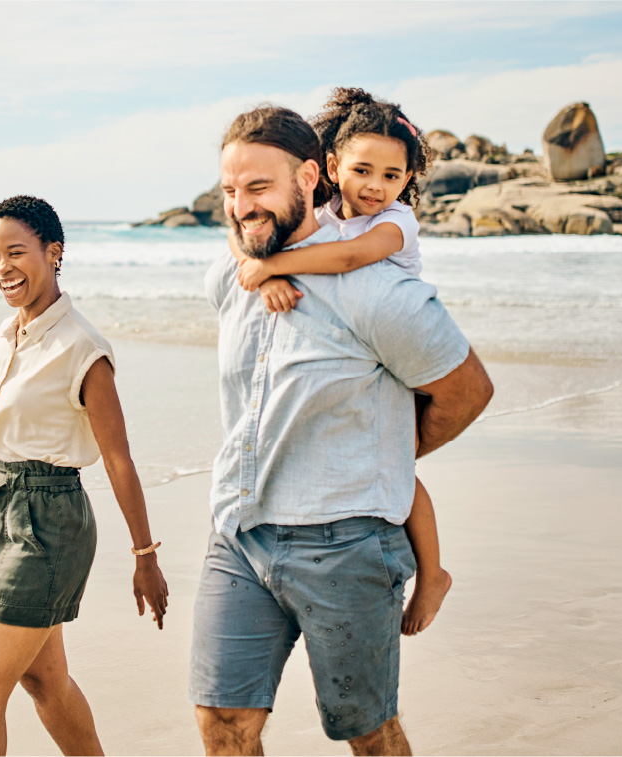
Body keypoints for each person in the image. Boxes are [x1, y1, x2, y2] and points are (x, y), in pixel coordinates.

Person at [191, 105, 493, 756]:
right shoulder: (233, 277)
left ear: (307, 177)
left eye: (259, 188)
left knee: (366, 733)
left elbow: (466, 392)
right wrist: (260, 264)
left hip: (346, 541)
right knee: (221, 724)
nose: (241, 206)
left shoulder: (379, 292)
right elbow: (245, 250)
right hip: (238, 535)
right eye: (229, 190)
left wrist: (383, 455)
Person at [0, 195, 169, 756]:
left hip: (48, 526)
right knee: (43, 680)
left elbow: (120, 459)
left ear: (53, 253)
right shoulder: (6, 335)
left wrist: (144, 556)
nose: (1, 267)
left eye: (15, 252)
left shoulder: (84, 348)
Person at [227, 88, 449, 636]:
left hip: (395, 353)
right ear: (331, 166)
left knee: (398, 468)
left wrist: (275, 263)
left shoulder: (397, 222)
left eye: (392, 176)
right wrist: (267, 272)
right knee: (387, 464)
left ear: (406, 182)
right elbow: (240, 237)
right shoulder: (321, 211)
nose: (376, 186)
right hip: (356, 351)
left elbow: (352, 257)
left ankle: (434, 572)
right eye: (363, 170)